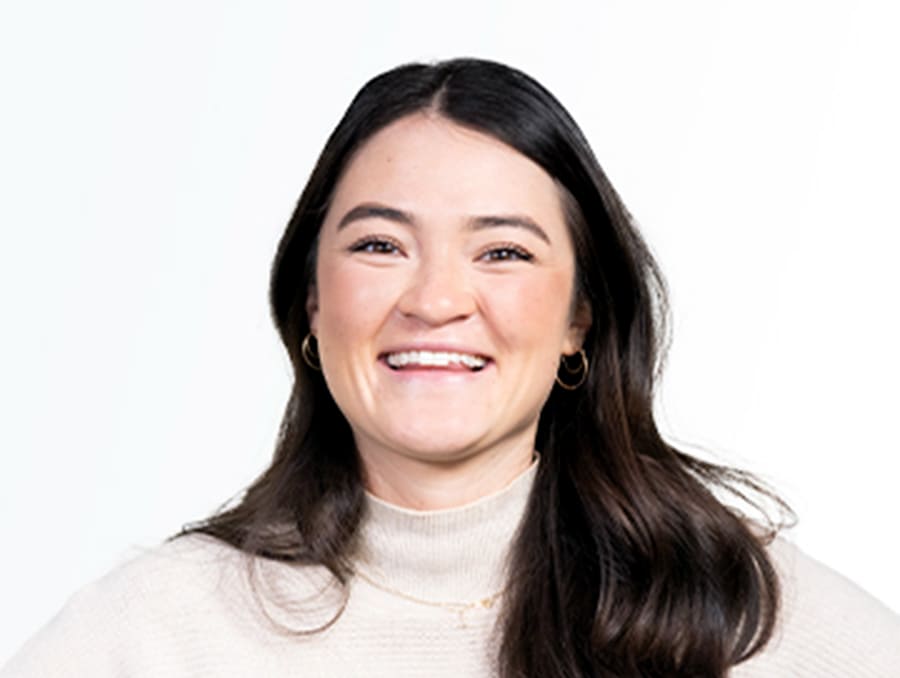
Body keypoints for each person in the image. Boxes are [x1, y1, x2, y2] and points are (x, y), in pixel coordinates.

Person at [3, 58, 898, 678]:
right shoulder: (152, 634)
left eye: (503, 252)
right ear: (312, 302)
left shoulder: (736, 607)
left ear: (581, 318)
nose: (434, 300)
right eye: (381, 244)